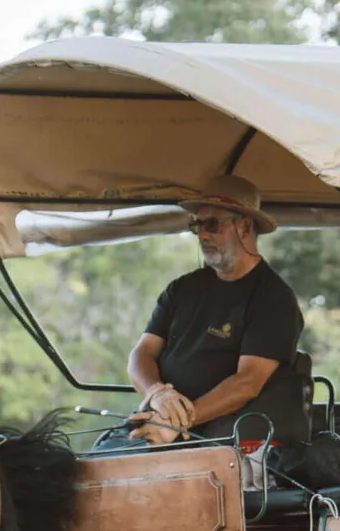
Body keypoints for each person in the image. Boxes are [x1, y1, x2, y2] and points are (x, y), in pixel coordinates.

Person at [123, 174, 308, 448]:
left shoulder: (273, 298)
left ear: (245, 227)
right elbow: (142, 353)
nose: (203, 234)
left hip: (226, 439)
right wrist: (157, 393)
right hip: (164, 421)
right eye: (197, 224)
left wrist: (178, 421)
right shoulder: (181, 289)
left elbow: (247, 382)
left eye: (212, 224)